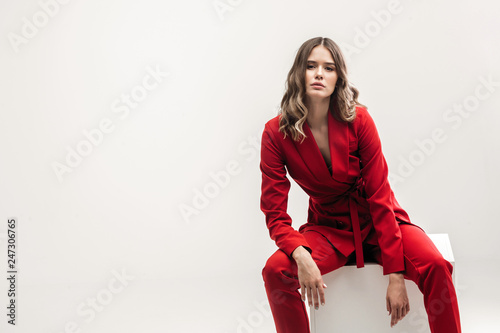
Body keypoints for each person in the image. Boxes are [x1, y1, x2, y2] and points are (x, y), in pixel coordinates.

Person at [259, 37, 461, 333]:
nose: (318, 74)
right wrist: (300, 254)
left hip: (379, 221)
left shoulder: (360, 120)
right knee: (275, 271)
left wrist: (395, 274)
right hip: (328, 230)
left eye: (328, 68)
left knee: (436, 266)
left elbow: (380, 195)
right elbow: (275, 214)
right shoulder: (275, 133)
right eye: (311, 66)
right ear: (298, 73)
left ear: (338, 77)